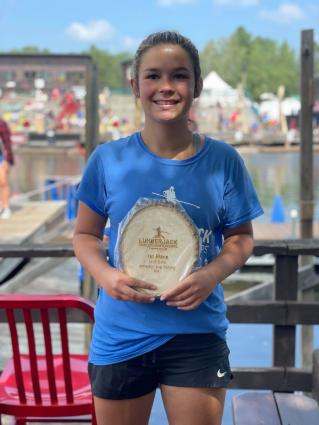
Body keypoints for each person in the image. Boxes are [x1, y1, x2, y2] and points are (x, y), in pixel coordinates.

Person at [73, 30, 263, 425]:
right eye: (153, 75)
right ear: (135, 85)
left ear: (197, 84)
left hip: (196, 335)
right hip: (121, 333)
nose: (166, 87)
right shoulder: (108, 160)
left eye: (179, 75)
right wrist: (105, 276)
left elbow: (241, 238)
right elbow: (85, 236)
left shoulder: (223, 160)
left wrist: (211, 274)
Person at [0, 117, 14, 219]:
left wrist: (7, 160)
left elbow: (7, 143)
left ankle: (6, 207)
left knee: (3, 181)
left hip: (1, 157)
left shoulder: (1, 123)